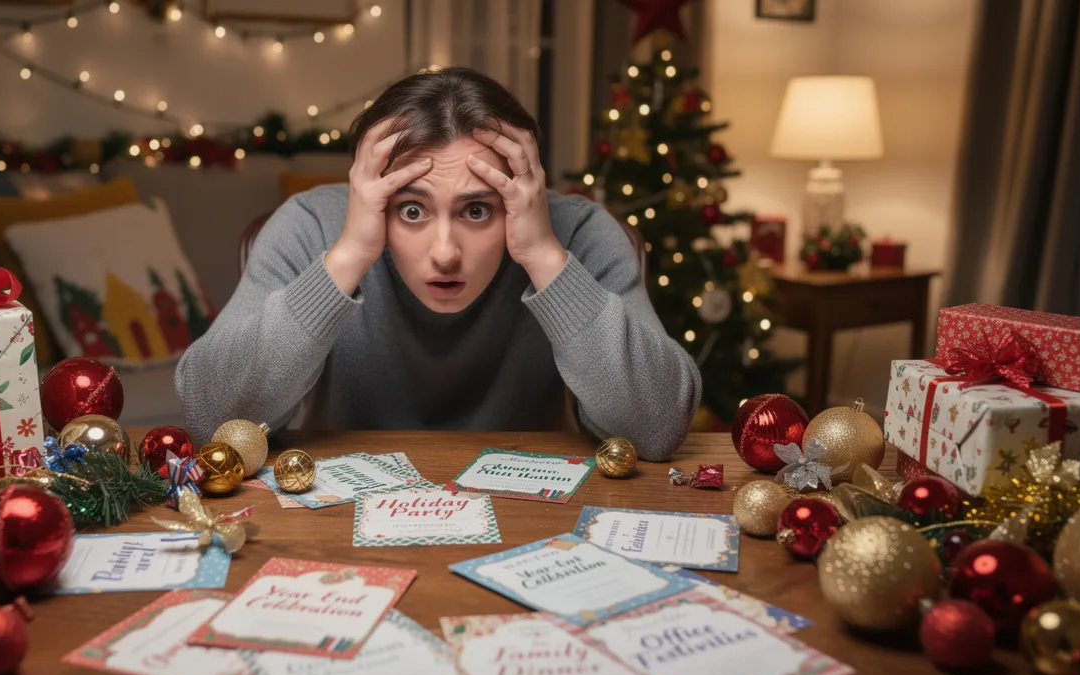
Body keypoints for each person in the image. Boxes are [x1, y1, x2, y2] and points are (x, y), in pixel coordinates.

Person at [175, 67, 701, 460]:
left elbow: (654, 428)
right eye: (411, 210)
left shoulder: (578, 234)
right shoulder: (311, 224)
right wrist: (351, 253)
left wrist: (545, 255)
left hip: (533, 513)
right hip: (337, 516)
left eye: (477, 210)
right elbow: (211, 417)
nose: (445, 252)